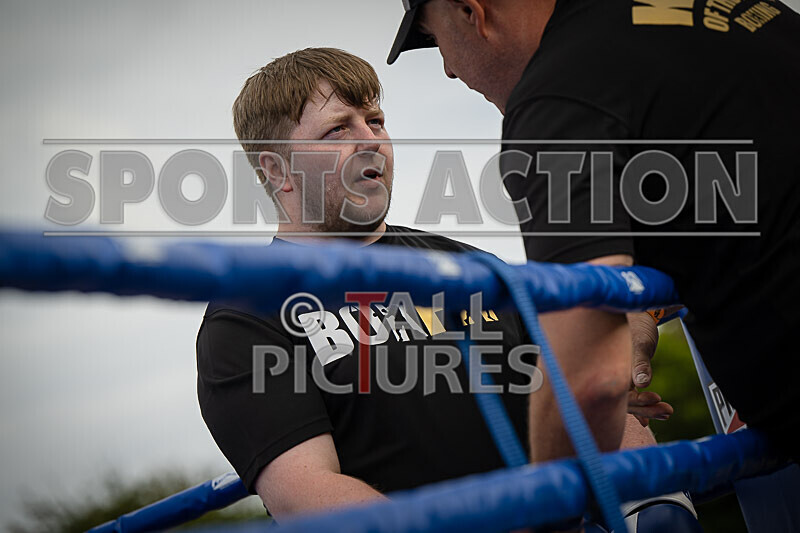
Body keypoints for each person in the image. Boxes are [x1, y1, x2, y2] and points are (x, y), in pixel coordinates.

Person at [197, 47, 682, 526]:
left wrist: (651, 502)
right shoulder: (246, 316)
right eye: (339, 128)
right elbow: (309, 496)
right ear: (278, 170)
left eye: (376, 121)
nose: (371, 140)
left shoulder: (468, 265)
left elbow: (585, 381)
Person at [387, 0, 800, 466]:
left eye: (436, 39)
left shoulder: (556, 99)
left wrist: (548, 512)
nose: (446, 69)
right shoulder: (712, 13)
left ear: (471, 12)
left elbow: (589, 376)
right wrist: (645, 306)